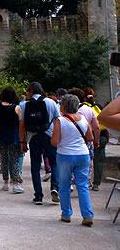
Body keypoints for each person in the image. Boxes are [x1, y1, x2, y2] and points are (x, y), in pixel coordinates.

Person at [51, 93, 94, 226]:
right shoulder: (83, 119)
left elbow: (55, 141)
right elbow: (90, 138)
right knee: (83, 186)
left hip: (65, 155)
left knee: (64, 186)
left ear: (63, 106)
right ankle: (87, 215)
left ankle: (66, 214)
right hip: (83, 155)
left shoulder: (60, 120)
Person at [19, 82, 60, 205]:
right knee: (54, 163)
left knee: (35, 167)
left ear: (30, 91)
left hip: (34, 138)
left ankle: (38, 196)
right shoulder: (51, 102)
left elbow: (22, 125)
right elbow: (58, 121)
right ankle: (54, 188)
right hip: (49, 136)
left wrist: (23, 141)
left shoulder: (26, 105)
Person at [0, 86, 23, 193]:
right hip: (13, 136)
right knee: (14, 160)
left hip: (1, 135)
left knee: (3, 159)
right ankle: (15, 184)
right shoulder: (17, 108)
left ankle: (6, 183)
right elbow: (21, 124)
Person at [81, 87, 107, 191]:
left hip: (87, 137)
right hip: (101, 136)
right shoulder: (99, 106)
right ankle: (96, 183)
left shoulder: (81, 107)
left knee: (85, 161)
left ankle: (85, 182)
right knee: (99, 160)